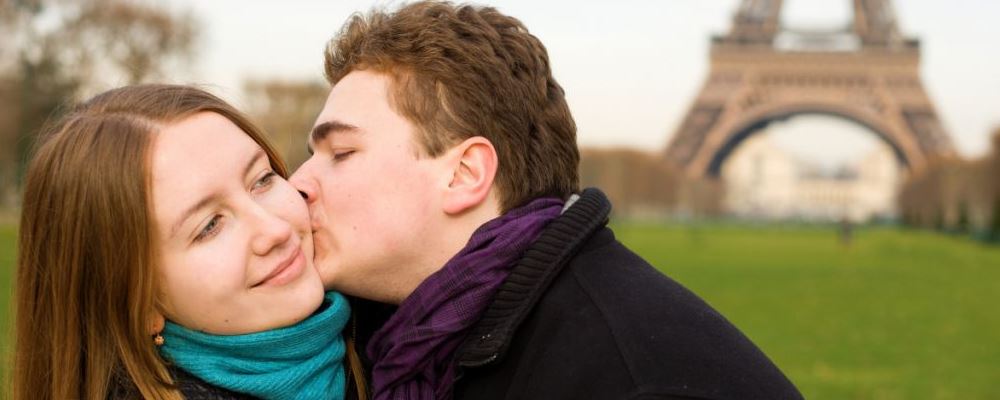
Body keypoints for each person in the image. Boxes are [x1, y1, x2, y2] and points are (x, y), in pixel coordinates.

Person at [290, 2, 804, 399]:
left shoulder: (638, 382)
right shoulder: (392, 342)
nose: (298, 182)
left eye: (341, 151)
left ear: (465, 174)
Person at [14, 84, 360, 400]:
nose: (275, 230)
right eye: (209, 226)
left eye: (262, 179)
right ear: (136, 301)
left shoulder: (386, 340)